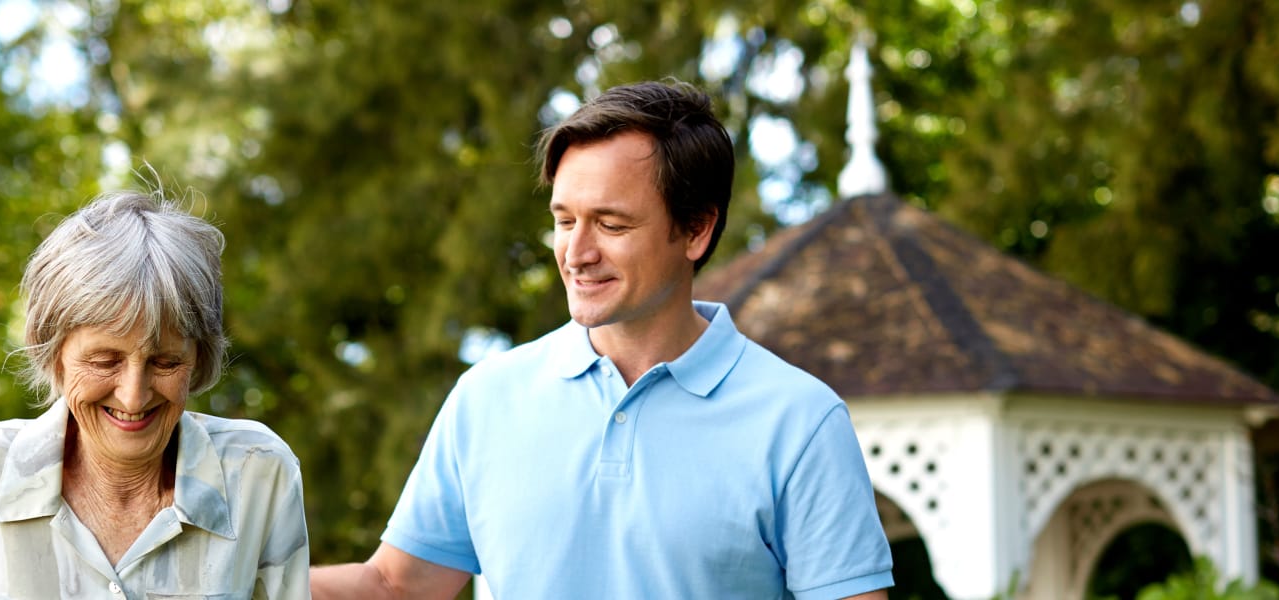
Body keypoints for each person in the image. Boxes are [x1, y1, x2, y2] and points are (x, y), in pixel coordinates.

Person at [310, 81, 894, 599]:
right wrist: (240, 577)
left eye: (611, 224)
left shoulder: (800, 421)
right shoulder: (487, 397)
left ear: (696, 229)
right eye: (565, 221)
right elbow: (396, 586)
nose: (577, 253)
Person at [0, 191, 309, 599]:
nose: (134, 396)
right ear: (54, 354)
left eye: (165, 363)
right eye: (104, 362)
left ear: (199, 359)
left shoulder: (258, 473)